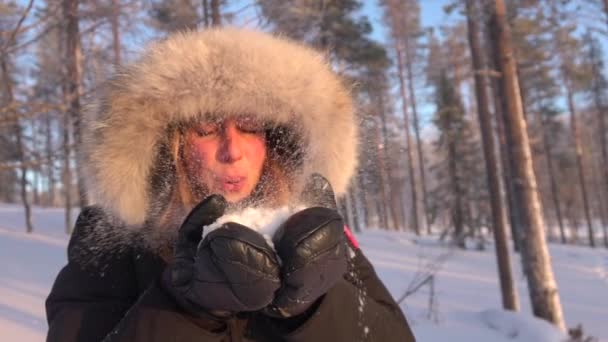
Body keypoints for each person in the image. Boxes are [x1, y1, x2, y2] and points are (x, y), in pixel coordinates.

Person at [45, 28, 416, 342]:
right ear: (169, 145)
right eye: (205, 130)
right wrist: (189, 307)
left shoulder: (308, 229)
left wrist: (314, 308)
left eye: (250, 127)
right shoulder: (118, 237)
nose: (233, 151)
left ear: (274, 139)